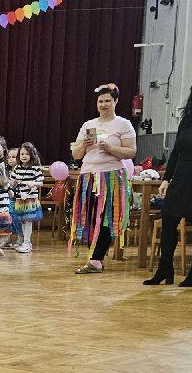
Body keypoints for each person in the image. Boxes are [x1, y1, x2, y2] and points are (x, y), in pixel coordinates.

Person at [70, 82, 137, 273]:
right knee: (89, 217)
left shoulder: (123, 124)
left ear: (115, 102)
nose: (104, 104)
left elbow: (131, 152)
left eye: (108, 101)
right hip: (88, 176)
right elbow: (76, 154)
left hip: (111, 177)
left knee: (107, 217)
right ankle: (94, 256)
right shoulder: (88, 125)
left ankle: (96, 260)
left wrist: (110, 148)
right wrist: (84, 144)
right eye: (101, 101)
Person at [144, 85, 192, 287]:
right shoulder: (187, 119)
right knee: (169, 221)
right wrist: (166, 178)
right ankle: (165, 269)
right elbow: (175, 152)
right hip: (181, 176)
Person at [11, 143, 44, 254]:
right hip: (20, 198)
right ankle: (25, 242)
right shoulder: (17, 168)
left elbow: (41, 183)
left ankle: (27, 242)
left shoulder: (35, 169)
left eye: (27, 154)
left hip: (30, 199)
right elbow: (12, 182)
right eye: (22, 154)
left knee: (28, 221)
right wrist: (13, 183)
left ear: (32, 155)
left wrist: (32, 183)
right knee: (22, 221)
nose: (24, 156)